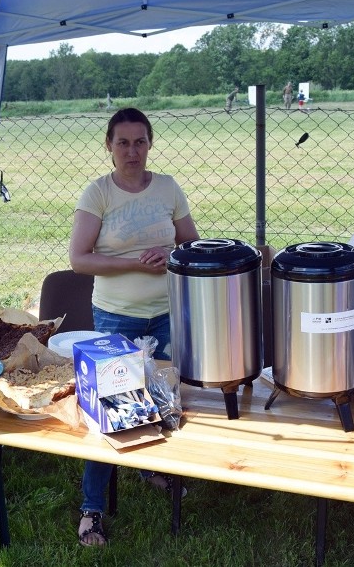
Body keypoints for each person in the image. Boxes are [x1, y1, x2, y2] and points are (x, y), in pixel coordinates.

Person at [69, 107, 199, 546]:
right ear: (108, 146)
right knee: (111, 406)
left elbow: (192, 244)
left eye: (139, 141)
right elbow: (79, 259)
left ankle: (153, 467)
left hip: (167, 312)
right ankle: (92, 507)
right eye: (122, 142)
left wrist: (170, 258)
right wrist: (133, 265)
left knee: (163, 399)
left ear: (150, 143)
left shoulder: (167, 188)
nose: (131, 151)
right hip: (116, 315)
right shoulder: (98, 194)